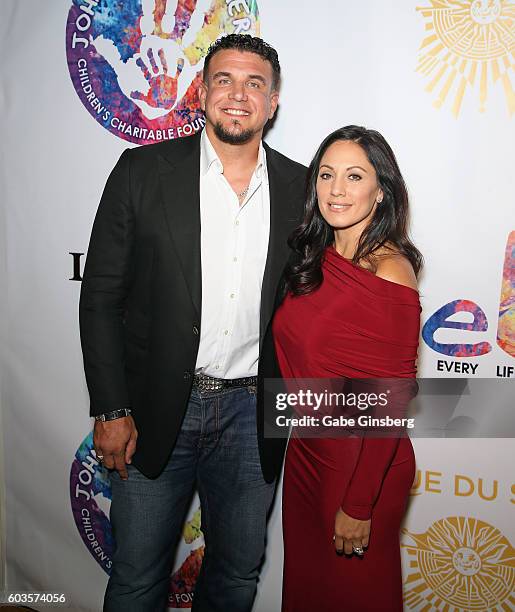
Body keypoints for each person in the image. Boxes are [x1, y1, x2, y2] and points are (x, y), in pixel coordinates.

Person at [79, 34, 306, 612]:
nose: (238, 94)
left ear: (272, 102)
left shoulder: (302, 189)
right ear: (201, 92)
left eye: (254, 83)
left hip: (253, 418)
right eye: (224, 80)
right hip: (154, 413)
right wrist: (109, 408)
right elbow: (101, 295)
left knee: (235, 577)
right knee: (135, 578)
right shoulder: (142, 170)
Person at [272, 126, 423, 611]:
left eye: (354, 176)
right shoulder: (316, 255)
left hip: (361, 468)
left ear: (381, 191)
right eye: (326, 175)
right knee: (308, 593)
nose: (336, 190)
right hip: (307, 455)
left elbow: (389, 402)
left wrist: (359, 504)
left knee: (356, 597)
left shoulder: (389, 271)